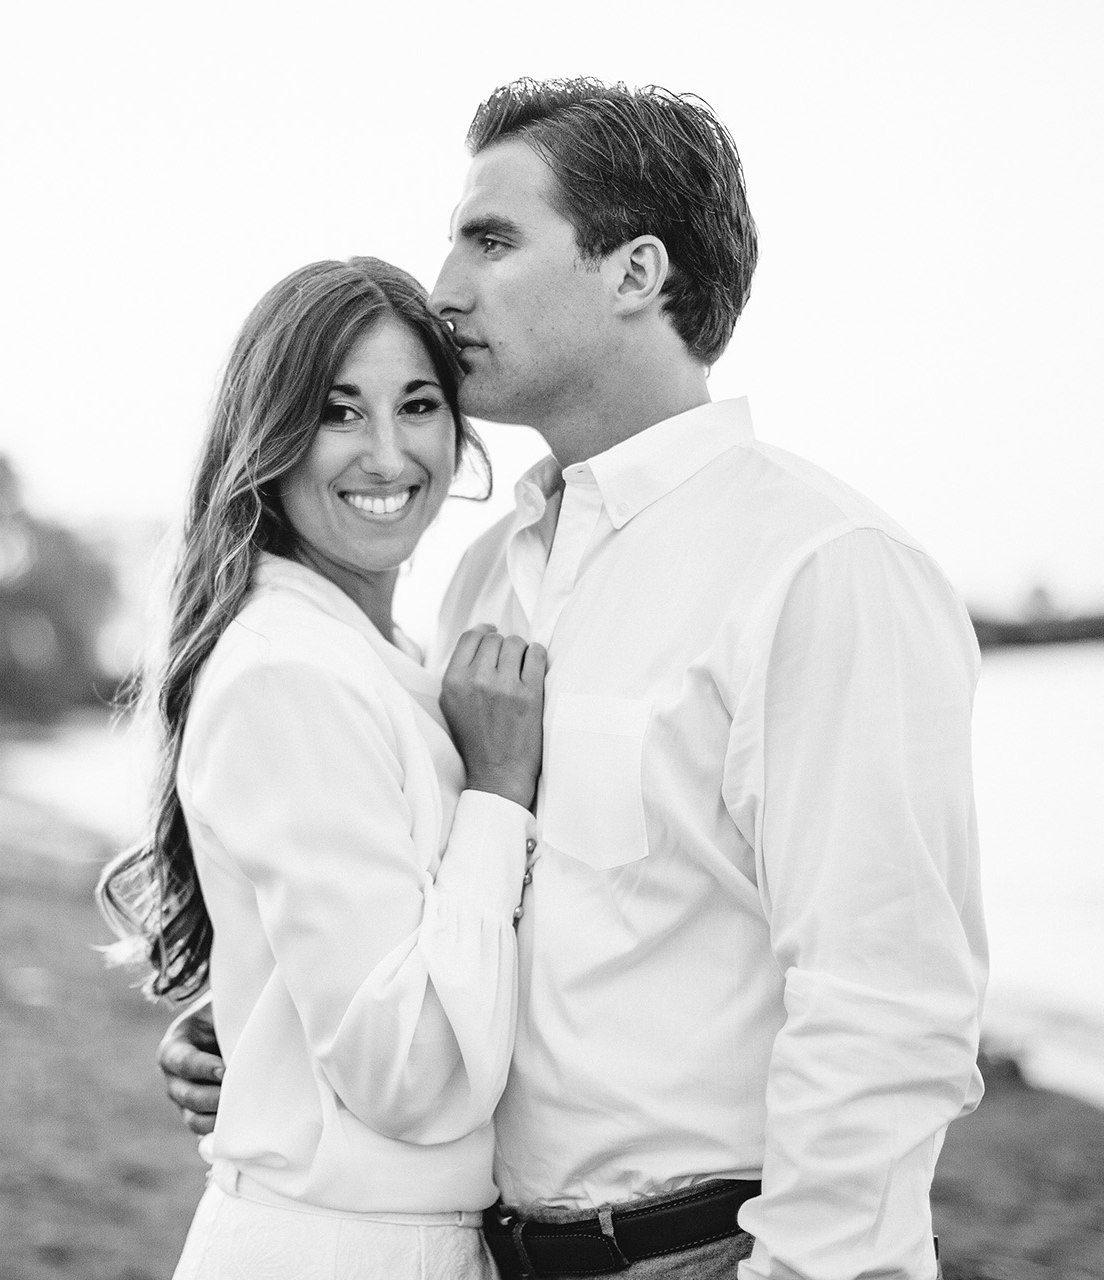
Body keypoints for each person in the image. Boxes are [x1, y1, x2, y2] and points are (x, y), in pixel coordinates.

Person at [160, 79, 987, 1280]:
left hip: (703, 1251)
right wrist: (268, 1017)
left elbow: (886, 996)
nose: (444, 289)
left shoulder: (821, 567)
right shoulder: (488, 573)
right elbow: (436, 900)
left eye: (491, 239)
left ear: (636, 271)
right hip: (488, 1250)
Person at [100, 256, 550, 1280]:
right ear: (269, 435)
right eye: (339, 411)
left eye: (419, 404)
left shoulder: (374, 656)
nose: (388, 453)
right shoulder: (289, 671)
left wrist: (252, 1038)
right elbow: (410, 1065)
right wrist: (498, 792)